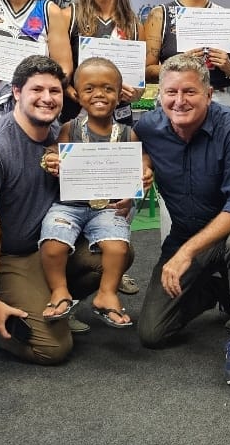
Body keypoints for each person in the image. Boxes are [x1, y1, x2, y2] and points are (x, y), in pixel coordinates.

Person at [0, 55, 134, 362]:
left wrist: (127, 189)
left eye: (54, 91)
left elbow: (106, 174)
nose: (46, 98)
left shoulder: (63, 134)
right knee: (52, 349)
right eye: (36, 90)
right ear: (16, 92)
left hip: (48, 241)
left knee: (117, 252)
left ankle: (60, 297)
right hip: (6, 256)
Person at [133, 54, 230, 386]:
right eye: (171, 92)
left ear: (208, 95)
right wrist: (144, 161)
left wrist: (186, 253)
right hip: (185, 231)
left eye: (189, 92)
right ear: (159, 95)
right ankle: (216, 290)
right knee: (152, 333)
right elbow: (130, 145)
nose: (179, 101)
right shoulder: (149, 127)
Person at [37, 58, 150, 325]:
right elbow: (52, 151)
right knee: (53, 245)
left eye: (108, 89)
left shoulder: (127, 134)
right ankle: (59, 290)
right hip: (70, 204)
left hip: (107, 208)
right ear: (76, 94)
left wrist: (144, 173)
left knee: (118, 248)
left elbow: (142, 160)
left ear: (120, 93)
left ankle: (107, 294)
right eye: (89, 89)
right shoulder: (70, 128)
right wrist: (50, 159)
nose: (99, 94)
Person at [62, 0, 145, 296]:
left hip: (120, 118)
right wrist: (85, 98)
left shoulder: (133, 23)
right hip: (79, 118)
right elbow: (64, 75)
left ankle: (112, 266)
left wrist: (131, 94)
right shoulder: (71, 16)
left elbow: (139, 86)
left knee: (118, 198)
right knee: (80, 196)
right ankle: (81, 263)